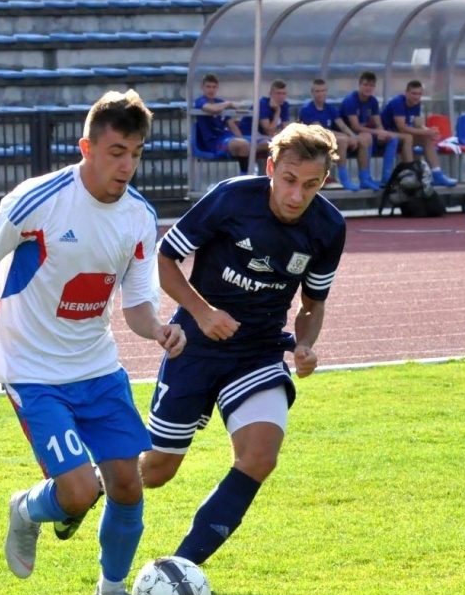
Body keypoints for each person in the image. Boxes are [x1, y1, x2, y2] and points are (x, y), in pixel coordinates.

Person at [0, 89, 187, 595]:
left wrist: (159, 330)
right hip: (31, 369)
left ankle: (111, 593)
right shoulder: (39, 199)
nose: (127, 165)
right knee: (79, 491)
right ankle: (26, 509)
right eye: (116, 152)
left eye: (136, 153)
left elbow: (137, 306)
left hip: (97, 366)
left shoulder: (139, 218)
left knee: (127, 484)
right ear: (87, 147)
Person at [140, 122, 346, 567]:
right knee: (156, 470)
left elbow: (312, 303)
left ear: (323, 182)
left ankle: (180, 570)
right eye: (289, 180)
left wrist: (306, 344)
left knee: (259, 457)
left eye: (310, 185)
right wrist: (202, 312)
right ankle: (84, 488)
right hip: (195, 343)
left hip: (258, 351)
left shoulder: (328, 227)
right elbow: (165, 258)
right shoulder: (232, 197)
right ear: (271, 167)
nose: (296, 195)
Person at [381, 79, 458, 187]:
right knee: (408, 137)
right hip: (384, 138)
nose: (416, 97)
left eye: (419, 94)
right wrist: (425, 132)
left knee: (426, 138)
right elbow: (402, 127)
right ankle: (410, 174)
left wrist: (429, 131)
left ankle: (437, 174)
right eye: (413, 93)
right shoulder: (397, 102)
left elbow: (418, 124)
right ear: (406, 92)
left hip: (401, 138)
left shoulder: (416, 103)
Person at [339, 70, 403, 191]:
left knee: (392, 138)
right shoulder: (351, 100)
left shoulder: (373, 101)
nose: (368, 88)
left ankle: (386, 178)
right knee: (367, 137)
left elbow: (378, 122)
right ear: (359, 85)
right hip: (351, 135)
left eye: (371, 85)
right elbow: (355, 127)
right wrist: (377, 132)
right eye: (365, 85)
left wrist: (382, 131)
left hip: (367, 133)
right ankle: (365, 178)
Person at [298, 76, 364, 191]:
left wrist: (353, 136)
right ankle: (345, 179)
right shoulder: (307, 109)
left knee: (361, 139)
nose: (320, 94)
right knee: (342, 140)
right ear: (312, 93)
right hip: (312, 142)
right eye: (317, 91)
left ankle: (365, 178)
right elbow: (320, 130)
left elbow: (342, 125)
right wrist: (344, 137)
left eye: (323, 90)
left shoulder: (330, 108)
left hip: (328, 140)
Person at [192, 73, 267, 169]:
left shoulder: (220, 101)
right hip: (215, 143)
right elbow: (213, 109)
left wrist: (242, 137)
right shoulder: (201, 101)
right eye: (208, 87)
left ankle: (268, 178)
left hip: (228, 137)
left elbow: (232, 125)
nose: (211, 90)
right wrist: (228, 103)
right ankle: (244, 178)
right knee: (243, 145)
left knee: (268, 142)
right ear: (202, 87)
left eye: (214, 87)